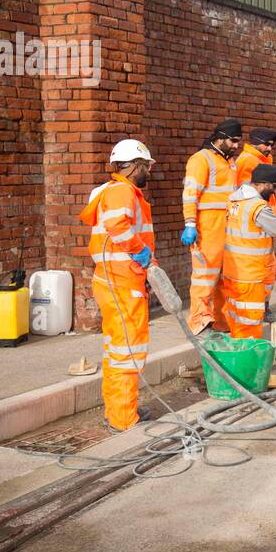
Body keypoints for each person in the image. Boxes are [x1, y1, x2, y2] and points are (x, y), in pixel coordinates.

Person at [79, 139, 158, 432]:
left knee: (117, 349)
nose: (149, 172)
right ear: (136, 166)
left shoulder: (112, 192)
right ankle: (124, 419)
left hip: (116, 279)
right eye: (147, 166)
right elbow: (119, 227)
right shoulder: (123, 191)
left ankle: (117, 411)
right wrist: (140, 252)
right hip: (123, 281)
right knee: (129, 350)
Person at [181, 119, 243, 333]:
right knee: (205, 275)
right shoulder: (201, 159)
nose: (236, 146)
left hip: (226, 224)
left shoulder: (229, 161)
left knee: (225, 277)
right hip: (207, 227)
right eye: (233, 141)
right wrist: (190, 223)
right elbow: (190, 193)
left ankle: (220, 321)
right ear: (220, 137)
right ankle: (199, 321)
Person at [222, 164, 276, 338]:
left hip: (233, 270)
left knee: (235, 315)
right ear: (263, 184)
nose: (274, 191)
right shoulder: (257, 207)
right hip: (250, 274)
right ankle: (247, 355)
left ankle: (237, 348)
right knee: (250, 320)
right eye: (274, 187)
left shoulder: (234, 201)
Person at [235, 127, 276, 300]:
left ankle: (264, 303)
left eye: (272, 145)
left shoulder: (264, 157)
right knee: (259, 267)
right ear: (255, 142)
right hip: (256, 220)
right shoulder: (247, 161)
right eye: (267, 144)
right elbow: (247, 193)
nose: (270, 148)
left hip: (266, 217)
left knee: (269, 265)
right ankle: (259, 304)